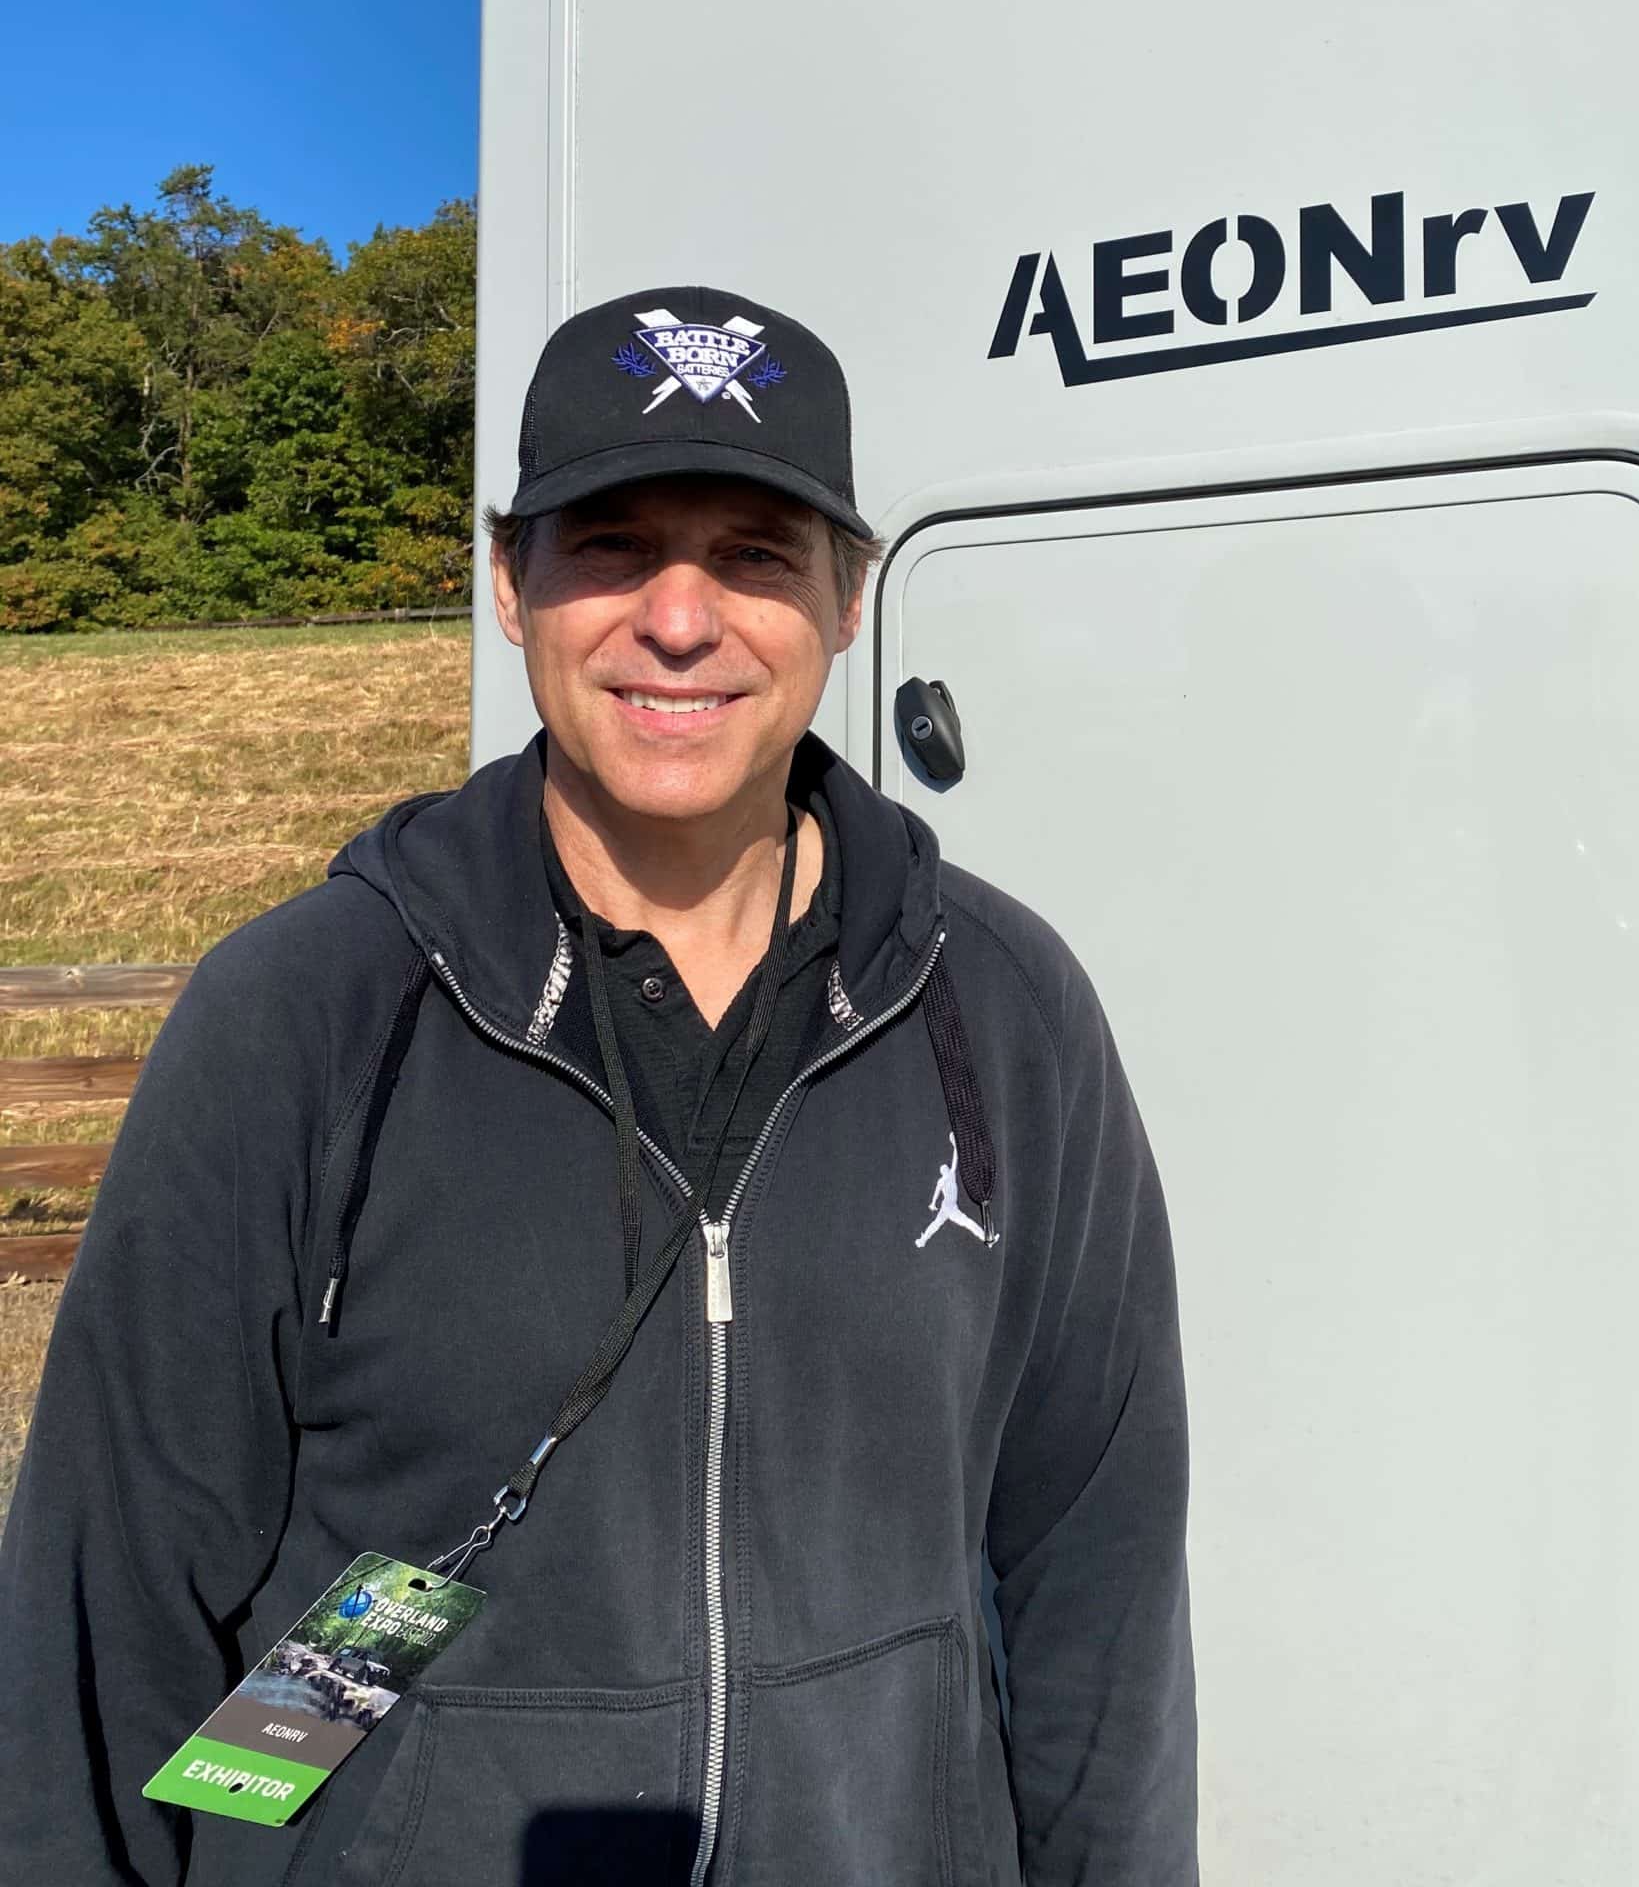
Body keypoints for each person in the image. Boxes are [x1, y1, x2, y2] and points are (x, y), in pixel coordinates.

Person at [0, 284, 1198, 1885]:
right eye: (613, 545)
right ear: (511, 586)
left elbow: (1093, 1572)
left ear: (849, 602)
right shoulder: (305, 1012)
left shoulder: (1002, 1006)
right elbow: (111, 1606)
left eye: (758, 554)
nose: (681, 618)